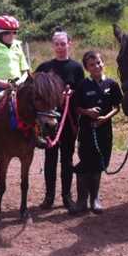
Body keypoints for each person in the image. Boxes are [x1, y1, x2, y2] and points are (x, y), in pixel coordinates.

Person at [35, 30, 85, 210]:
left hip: (69, 120)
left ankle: (66, 196)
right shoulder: (44, 68)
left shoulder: (77, 68)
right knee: (50, 157)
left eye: (63, 43)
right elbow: (36, 93)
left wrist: (73, 94)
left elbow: (82, 92)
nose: (60, 47)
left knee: (67, 158)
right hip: (49, 122)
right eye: (57, 44)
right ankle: (49, 196)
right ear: (52, 46)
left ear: (69, 44)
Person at [71, 51, 122, 215]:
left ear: (103, 63)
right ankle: (81, 201)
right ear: (87, 68)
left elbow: (117, 107)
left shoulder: (112, 84)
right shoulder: (82, 85)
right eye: (92, 65)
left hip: (105, 131)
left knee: (99, 165)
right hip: (86, 130)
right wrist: (88, 112)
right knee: (85, 164)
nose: (96, 66)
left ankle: (95, 199)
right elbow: (76, 107)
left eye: (98, 63)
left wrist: (105, 118)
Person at [0, 14, 30, 108]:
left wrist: (19, 82)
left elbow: (25, 71)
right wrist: (5, 84)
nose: (11, 36)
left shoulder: (18, 47)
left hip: (19, 87)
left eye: (14, 32)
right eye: (7, 33)